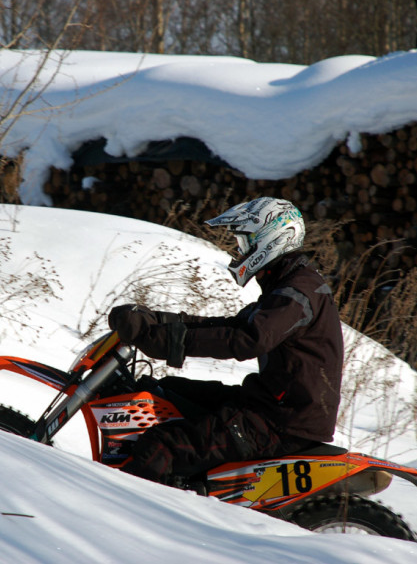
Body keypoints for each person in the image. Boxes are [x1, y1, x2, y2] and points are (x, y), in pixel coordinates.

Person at [107, 198, 344, 486]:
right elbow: (233, 325)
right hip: (269, 406)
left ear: (273, 239)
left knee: (161, 446)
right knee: (163, 391)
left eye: (246, 242)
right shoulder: (289, 284)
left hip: (284, 424)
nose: (240, 250)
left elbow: (248, 339)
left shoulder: (298, 292)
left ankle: (131, 518)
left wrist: (170, 342)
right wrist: (158, 321)